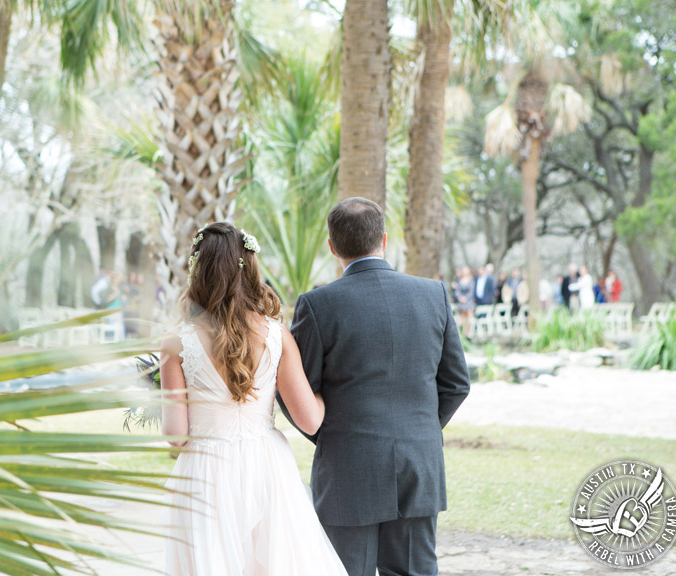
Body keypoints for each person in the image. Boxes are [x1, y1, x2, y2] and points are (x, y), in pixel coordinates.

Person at [280, 198, 471, 576]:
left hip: (347, 467)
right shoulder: (434, 295)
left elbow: (295, 389)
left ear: (332, 246)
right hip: (419, 463)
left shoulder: (317, 305)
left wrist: (333, 436)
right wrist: (419, 429)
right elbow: (456, 384)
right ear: (383, 239)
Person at [160, 222, 348, 575]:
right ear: (249, 267)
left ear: (198, 271)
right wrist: (326, 395)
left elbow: (175, 434)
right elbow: (309, 419)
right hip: (266, 467)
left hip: (205, 471)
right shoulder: (277, 335)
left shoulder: (176, 342)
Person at [455, 266, 476, 336]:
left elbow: (471, 291)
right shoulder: (459, 280)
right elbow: (457, 291)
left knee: (470, 317)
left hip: (468, 301)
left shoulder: (471, 280)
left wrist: (466, 298)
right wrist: (460, 297)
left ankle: (469, 332)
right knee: (462, 318)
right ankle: (463, 332)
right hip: (461, 302)